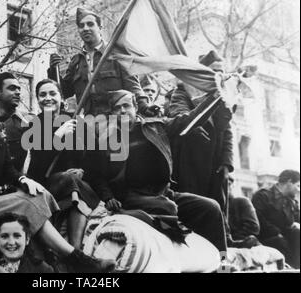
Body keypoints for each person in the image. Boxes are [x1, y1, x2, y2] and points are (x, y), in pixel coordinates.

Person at [0, 73, 115, 273]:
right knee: (28, 203)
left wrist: (23, 179)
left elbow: (6, 169)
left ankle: (50, 257)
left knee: (37, 194)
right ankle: (77, 260)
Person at [88, 90, 229, 254]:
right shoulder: (106, 139)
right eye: (117, 109)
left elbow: (191, 120)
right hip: (131, 198)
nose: (123, 111)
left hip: (164, 193)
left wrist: (216, 97)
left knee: (211, 208)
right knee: (166, 208)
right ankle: (180, 245)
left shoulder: (156, 127)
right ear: (112, 113)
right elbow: (95, 173)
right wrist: (108, 197)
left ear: (135, 107)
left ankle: (221, 265)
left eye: (126, 106)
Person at [27, 79, 101, 250]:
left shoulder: (74, 120)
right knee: (69, 179)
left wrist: (84, 170)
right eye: (42, 94)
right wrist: (57, 137)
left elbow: (95, 155)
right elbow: (37, 166)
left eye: (53, 93)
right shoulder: (33, 125)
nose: (48, 98)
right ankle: (72, 251)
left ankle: (76, 249)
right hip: (47, 184)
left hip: (78, 182)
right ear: (37, 99)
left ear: (61, 98)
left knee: (73, 180)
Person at [168, 50, 234, 216]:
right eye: (214, 71)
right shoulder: (182, 92)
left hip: (215, 162)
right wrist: (197, 126)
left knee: (218, 207)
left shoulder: (224, 96)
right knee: (194, 207)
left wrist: (227, 162)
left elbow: (227, 132)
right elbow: (179, 117)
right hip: (189, 160)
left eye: (221, 71)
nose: (219, 75)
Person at [48, 8, 143, 116]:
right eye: (81, 26)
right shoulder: (76, 62)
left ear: (100, 28)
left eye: (90, 24)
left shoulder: (117, 54)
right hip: (89, 124)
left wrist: (144, 106)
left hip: (117, 121)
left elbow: (133, 87)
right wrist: (53, 71)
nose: (85, 28)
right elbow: (64, 92)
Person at [0, 72, 34, 172]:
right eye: (12, 88)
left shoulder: (29, 121)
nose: (18, 92)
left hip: (20, 181)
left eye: (19, 89)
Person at [252, 170, 300, 269]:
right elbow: (259, 220)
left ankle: (296, 268)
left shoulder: (291, 200)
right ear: (289, 182)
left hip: (285, 236)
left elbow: (297, 218)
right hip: (267, 237)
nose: (299, 190)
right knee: (280, 241)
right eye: (298, 186)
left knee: (297, 233)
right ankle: (292, 268)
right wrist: (276, 232)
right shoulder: (262, 196)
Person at [227, 177, 261, 248]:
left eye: (228, 184)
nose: (225, 188)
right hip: (223, 248)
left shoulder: (241, 201)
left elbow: (253, 227)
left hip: (246, 245)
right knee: (222, 257)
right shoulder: (212, 206)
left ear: (231, 186)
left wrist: (234, 241)